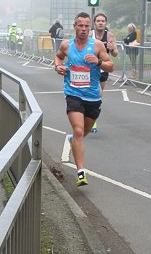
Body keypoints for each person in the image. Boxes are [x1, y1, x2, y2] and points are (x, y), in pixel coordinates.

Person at [54, 12, 114, 186]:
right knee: (79, 131)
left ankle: (75, 141)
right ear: (74, 27)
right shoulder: (67, 45)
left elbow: (111, 66)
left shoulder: (97, 46)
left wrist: (98, 62)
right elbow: (58, 56)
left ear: (90, 27)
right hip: (73, 93)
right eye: (80, 25)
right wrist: (58, 66)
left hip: (93, 96)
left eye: (87, 26)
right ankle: (81, 172)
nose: (84, 29)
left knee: (84, 132)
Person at [89, 13, 119, 132]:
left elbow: (115, 54)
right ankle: (90, 118)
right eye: (98, 21)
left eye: (103, 21)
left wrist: (112, 49)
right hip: (90, 68)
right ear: (94, 23)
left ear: (106, 23)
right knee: (92, 93)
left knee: (98, 95)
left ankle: (92, 119)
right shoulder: (90, 34)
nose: (100, 23)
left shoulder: (110, 36)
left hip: (103, 68)